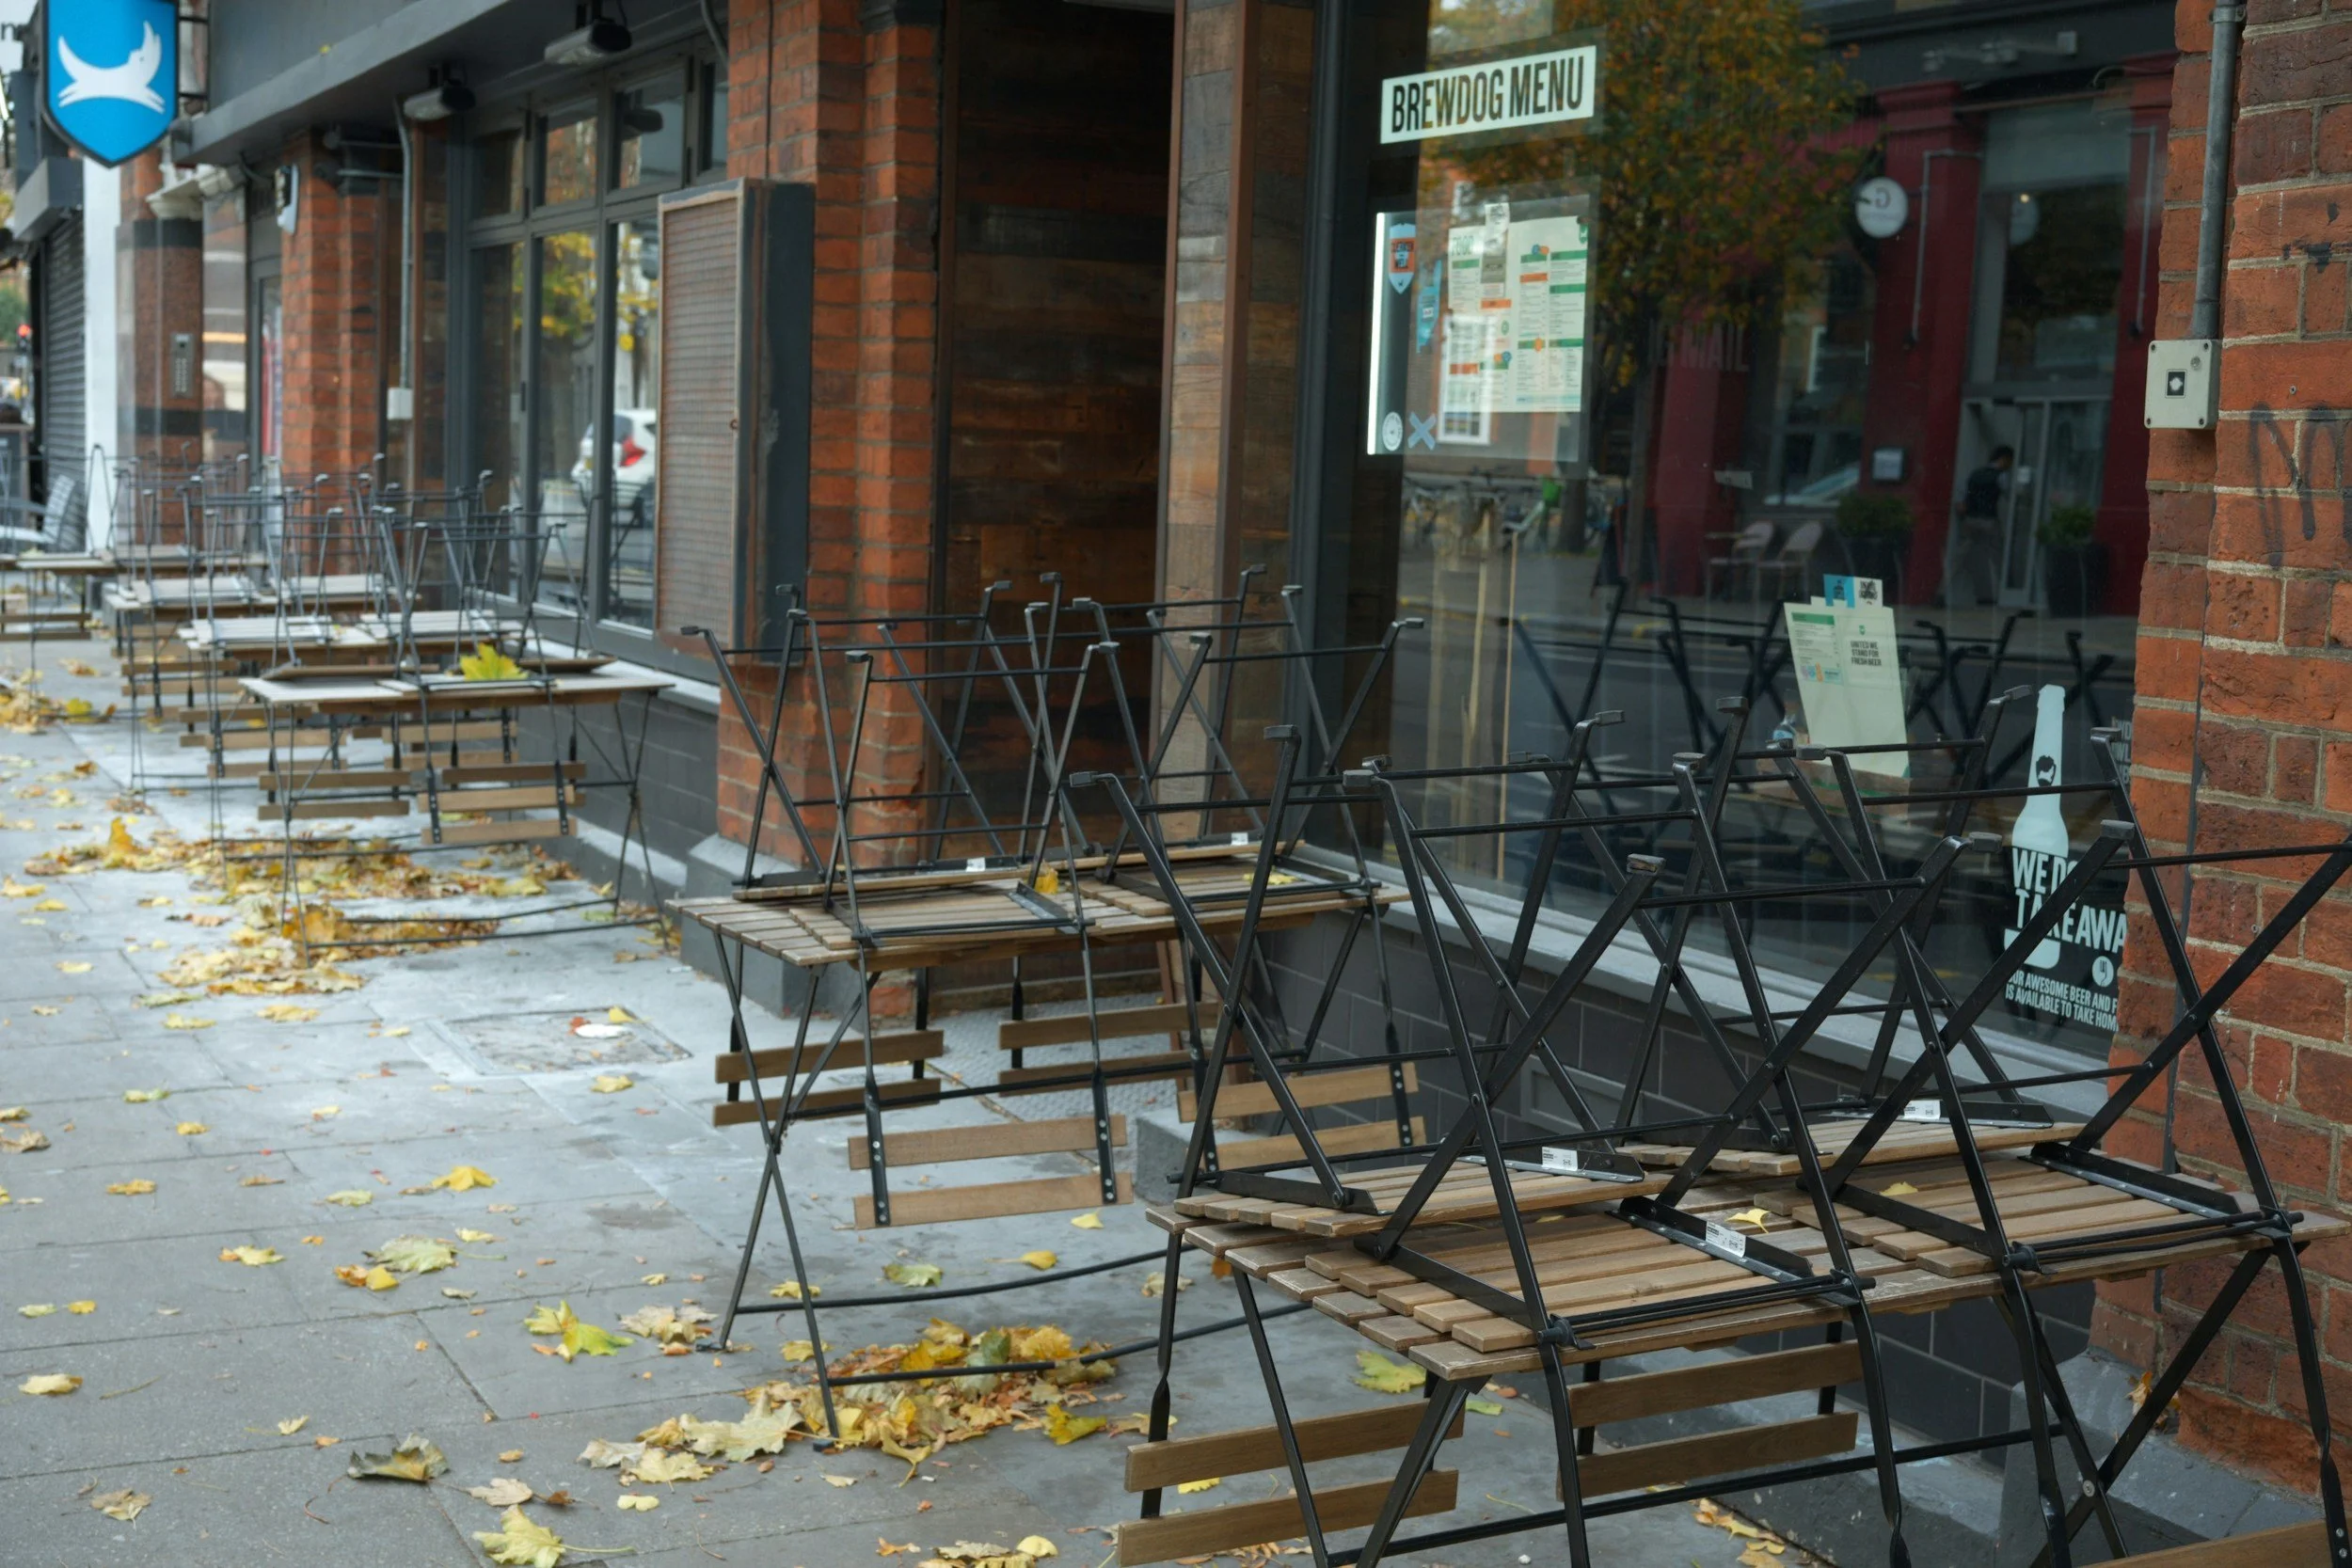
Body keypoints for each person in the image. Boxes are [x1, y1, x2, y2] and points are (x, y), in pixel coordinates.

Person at [1954, 444, 2013, 607]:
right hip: (1989, 520)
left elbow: (1962, 495)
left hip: (1970, 520)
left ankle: (1942, 592)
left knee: (1959, 557)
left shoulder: (1975, 473)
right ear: (2004, 459)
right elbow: (2010, 496)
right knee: (1997, 558)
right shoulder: (2001, 476)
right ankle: (2001, 596)